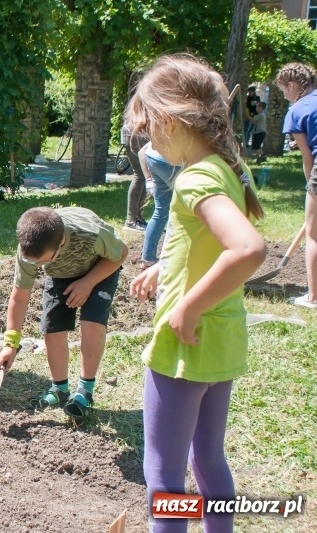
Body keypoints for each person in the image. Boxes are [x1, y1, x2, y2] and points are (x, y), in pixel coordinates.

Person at [126, 54, 266, 532]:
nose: (149, 139)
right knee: (208, 459)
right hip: (222, 341)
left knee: (163, 475)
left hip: (184, 347)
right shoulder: (226, 165)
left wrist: (186, 306)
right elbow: (211, 243)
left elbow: (247, 249)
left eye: (149, 127)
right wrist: (166, 266)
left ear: (169, 119)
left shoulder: (196, 176)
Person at [0, 206, 127, 422]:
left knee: (91, 323)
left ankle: (85, 390)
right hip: (61, 274)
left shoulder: (91, 234)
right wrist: (10, 343)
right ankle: (60, 389)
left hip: (100, 268)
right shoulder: (29, 250)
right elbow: (19, 296)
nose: (38, 267)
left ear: (62, 241)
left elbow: (121, 253)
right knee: (52, 328)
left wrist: (87, 282)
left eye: (44, 261)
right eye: (35, 263)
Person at [276, 62, 317, 309]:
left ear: (291, 85)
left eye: (283, 91)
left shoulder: (297, 110)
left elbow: (307, 157)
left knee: (313, 235)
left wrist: (310, 189)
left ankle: (313, 297)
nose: (285, 96)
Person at [138, 143, 181, 270]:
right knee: (185, 212)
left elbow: (142, 152)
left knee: (160, 212)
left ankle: (148, 258)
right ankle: (175, 259)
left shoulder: (161, 127)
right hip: (172, 165)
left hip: (153, 160)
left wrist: (148, 180)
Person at [123, 126, 150, 232]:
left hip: (137, 135)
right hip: (134, 135)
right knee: (139, 175)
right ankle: (131, 220)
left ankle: (138, 218)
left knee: (142, 176)